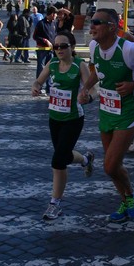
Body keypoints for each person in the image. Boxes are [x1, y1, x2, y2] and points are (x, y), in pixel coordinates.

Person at [78, 8, 134, 222]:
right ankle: (127, 199)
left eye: (98, 22)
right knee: (112, 165)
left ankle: (132, 194)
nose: (93, 25)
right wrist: (86, 88)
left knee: (109, 165)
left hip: (127, 112)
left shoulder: (128, 50)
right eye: (92, 21)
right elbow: (98, 70)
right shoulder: (93, 47)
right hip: (106, 111)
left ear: (112, 27)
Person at [32, 30, 94, 220]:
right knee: (63, 155)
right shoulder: (52, 64)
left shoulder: (80, 65)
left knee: (58, 160)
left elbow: (93, 88)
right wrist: (36, 87)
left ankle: (55, 204)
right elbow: (39, 80)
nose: (58, 49)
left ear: (72, 47)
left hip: (74, 118)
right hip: (54, 117)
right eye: (56, 46)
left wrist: (88, 96)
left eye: (63, 46)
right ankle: (85, 159)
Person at [33, 6, 58, 94]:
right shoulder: (41, 23)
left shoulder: (54, 23)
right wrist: (45, 40)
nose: (56, 16)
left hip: (51, 50)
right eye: (55, 14)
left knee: (50, 69)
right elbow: (35, 36)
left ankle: (49, 87)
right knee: (41, 68)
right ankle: (38, 87)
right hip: (42, 50)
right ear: (51, 14)